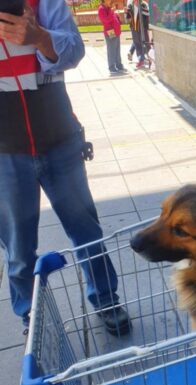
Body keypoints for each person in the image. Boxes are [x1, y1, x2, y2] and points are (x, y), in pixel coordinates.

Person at [0, 0, 131, 336]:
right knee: (18, 249)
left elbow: (74, 50)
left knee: (87, 231)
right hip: (5, 152)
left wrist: (40, 37)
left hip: (59, 138)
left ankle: (105, 297)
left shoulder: (45, 3)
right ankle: (32, 316)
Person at [98, 0, 123, 76]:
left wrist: (117, 16)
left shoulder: (109, 8)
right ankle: (111, 66)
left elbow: (113, 18)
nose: (110, 1)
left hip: (116, 31)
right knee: (111, 49)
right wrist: (112, 12)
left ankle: (119, 65)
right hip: (110, 31)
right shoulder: (101, 9)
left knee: (117, 49)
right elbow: (106, 20)